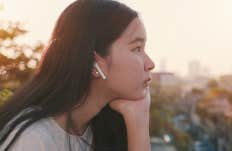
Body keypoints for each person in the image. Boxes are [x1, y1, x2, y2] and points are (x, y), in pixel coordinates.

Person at [0, 0, 155, 150]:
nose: (150, 64)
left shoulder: (101, 127)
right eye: (136, 48)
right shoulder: (32, 140)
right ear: (95, 63)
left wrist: (139, 121)